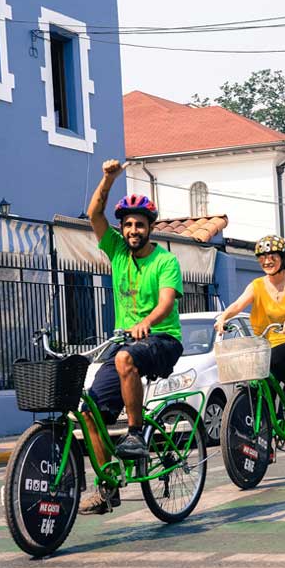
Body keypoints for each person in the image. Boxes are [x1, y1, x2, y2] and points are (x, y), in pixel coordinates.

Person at [80, 160, 185, 515]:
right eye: (128, 224)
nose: (133, 229)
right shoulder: (117, 251)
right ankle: (108, 488)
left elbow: (166, 302)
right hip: (127, 342)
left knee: (126, 358)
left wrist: (147, 322)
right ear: (121, 229)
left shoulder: (165, 262)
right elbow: (94, 212)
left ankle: (137, 434)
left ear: (150, 227)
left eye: (140, 224)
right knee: (90, 413)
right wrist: (108, 178)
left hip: (163, 340)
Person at [215, 235, 285, 421]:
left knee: (274, 359)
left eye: (272, 256)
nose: (267, 261)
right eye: (262, 257)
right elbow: (239, 304)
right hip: (272, 342)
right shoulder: (257, 285)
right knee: (264, 373)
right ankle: (268, 434)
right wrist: (223, 317)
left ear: (282, 257)